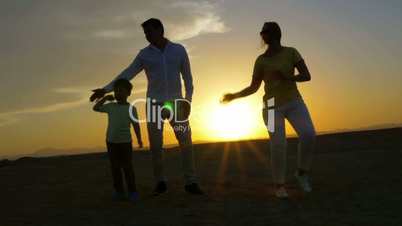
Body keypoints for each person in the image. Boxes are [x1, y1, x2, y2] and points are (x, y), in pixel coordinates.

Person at [90, 18, 203, 195]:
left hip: (176, 103)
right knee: (156, 146)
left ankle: (191, 182)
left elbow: (188, 78)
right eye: (145, 33)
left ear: (160, 30)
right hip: (154, 105)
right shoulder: (144, 54)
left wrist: (187, 100)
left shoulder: (179, 50)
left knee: (186, 143)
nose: (147, 36)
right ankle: (160, 182)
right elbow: (127, 73)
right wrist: (105, 90)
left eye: (149, 32)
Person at [221, 22, 316, 199]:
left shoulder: (291, 52)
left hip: (294, 102)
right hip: (271, 106)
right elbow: (253, 87)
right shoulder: (261, 61)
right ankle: (279, 185)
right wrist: (233, 96)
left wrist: (288, 77)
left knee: (309, 134)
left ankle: (302, 173)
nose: (263, 35)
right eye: (262, 32)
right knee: (278, 144)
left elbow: (306, 76)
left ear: (276, 34)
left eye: (266, 32)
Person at [93, 78, 143, 202]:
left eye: (121, 90)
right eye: (116, 91)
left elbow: (136, 125)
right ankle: (119, 192)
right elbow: (95, 108)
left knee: (128, 168)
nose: (118, 93)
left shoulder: (131, 109)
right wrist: (105, 98)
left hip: (125, 142)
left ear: (128, 93)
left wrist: (140, 139)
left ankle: (132, 192)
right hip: (111, 142)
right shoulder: (110, 106)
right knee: (115, 168)